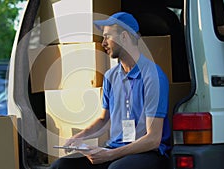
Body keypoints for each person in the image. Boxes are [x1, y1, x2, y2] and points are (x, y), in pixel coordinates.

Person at [49, 12, 171, 169]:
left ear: (124, 37)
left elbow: (153, 139)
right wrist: (79, 138)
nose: (103, 42)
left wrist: (109, 155)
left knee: (116, 168)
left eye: (107, 36)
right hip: (114, 149)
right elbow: (103, 120)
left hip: (148, 152)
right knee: (62, 165)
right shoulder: (110, 77)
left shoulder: (153, 76)